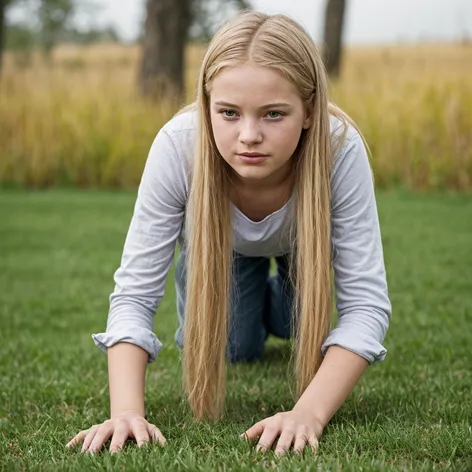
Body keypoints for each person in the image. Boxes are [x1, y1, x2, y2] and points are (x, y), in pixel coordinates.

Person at [66, 11, 392, 457]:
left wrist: (307, 414)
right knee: (235, 347)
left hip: (304, 249)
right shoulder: (178, 146)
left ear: (309, 111)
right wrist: (126, 411)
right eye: (229, 113)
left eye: (274, 114)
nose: (249, 135)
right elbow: (134, 295)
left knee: (298, 325)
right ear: (206, 105)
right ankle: (254, 290)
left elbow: (366, 306)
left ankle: (283, 296)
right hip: (224, 251)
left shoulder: (341, 149)